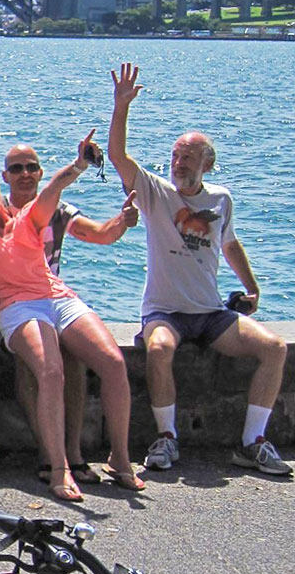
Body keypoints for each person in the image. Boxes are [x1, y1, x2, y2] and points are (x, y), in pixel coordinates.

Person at [108, 63, 290, 476]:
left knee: (275, 349)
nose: (179, 162)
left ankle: (252, 443)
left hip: (210, 314)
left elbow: (229, 244)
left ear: (207, 164)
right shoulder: (156, 192)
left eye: (188, 157)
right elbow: (117, 156)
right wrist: (121, 108)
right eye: (175, 155)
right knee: (157, 349)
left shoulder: (221, 199)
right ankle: (166, 438)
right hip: (165, 312)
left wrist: (252, 288)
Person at [0, 136, 144, 500]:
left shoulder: (28, 217)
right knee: (50, 370)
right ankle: (59, 468)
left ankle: (120, 458)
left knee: (114, 362)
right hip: (14, 306)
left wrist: (83, 170)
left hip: (55, 296)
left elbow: (54, 195)